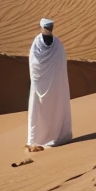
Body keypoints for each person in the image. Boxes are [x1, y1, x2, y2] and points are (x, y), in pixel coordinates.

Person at [27, 18, 72, 151]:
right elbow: (34, 64)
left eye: (49, 28)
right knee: (38, 109)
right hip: (40, 84)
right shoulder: (37, 43)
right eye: (47, 28)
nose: (48, 30)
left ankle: (57, 136)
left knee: (56, 107)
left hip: (55, 86)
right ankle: (37, 139)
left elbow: (60, 65)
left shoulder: (58, 45)